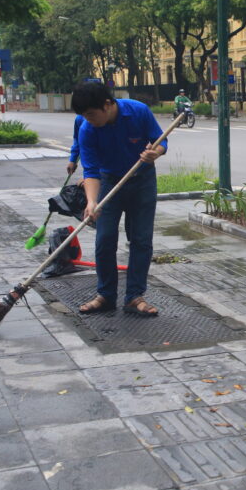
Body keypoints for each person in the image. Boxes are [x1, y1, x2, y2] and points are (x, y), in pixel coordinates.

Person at [71, 82, 168, 316]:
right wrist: (92, 202)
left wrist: (156, 152)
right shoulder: (87, 129)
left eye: (91, 114)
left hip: (142, 180)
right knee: (104, 239)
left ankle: (134, 296)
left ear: (107, 104)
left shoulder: (138, 111)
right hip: (109, 182)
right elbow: (91, 170)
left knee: (141, 240)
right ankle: (105, 295)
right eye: (84, 116)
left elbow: (161, 140)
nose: (88, 119)